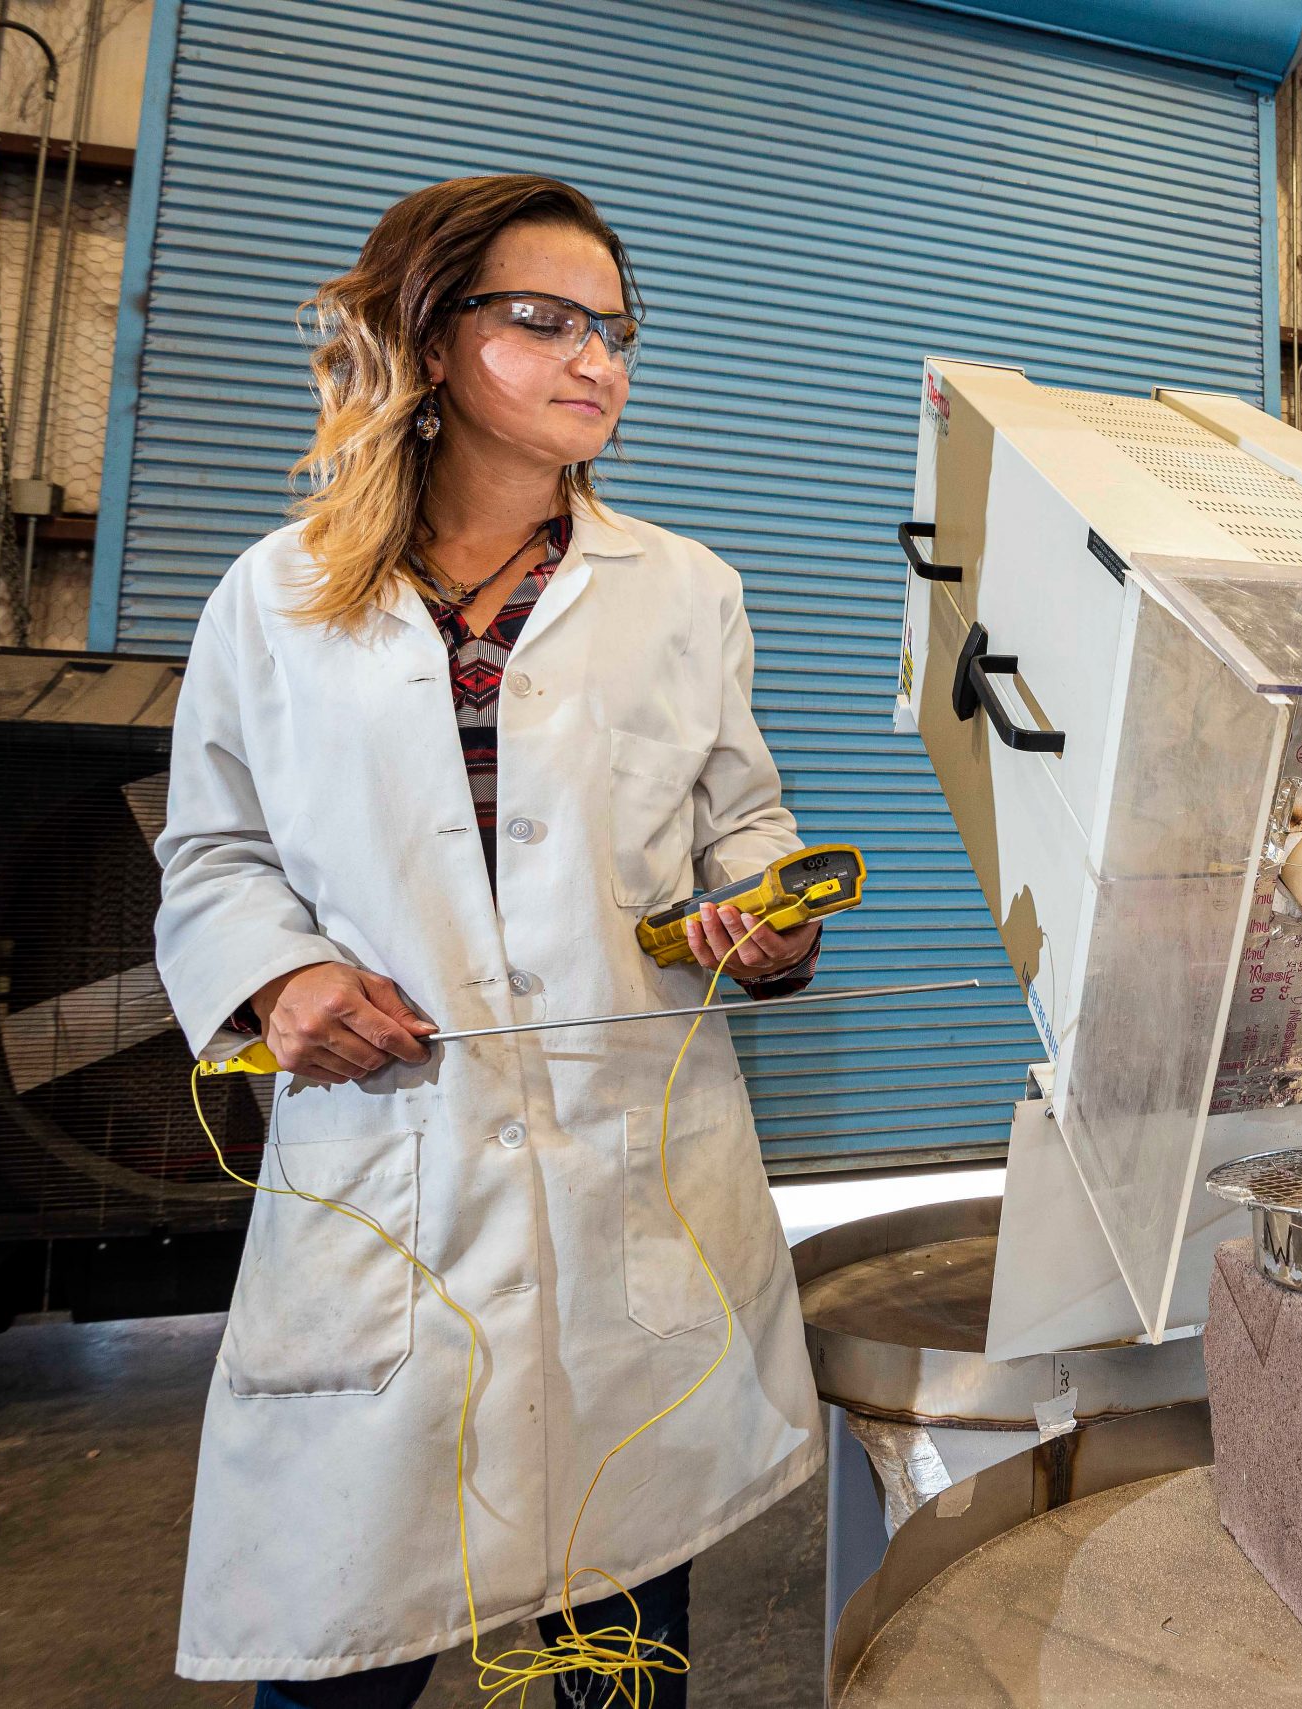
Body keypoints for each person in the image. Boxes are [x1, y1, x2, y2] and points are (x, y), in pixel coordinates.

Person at [154, 175, 822, 1707]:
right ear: (433, 341)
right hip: (394, 1177)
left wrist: (764, 920)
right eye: (547, 320)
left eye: (617, 331)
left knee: (622, 1635)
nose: (599, 358)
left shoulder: (686, 591)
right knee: (341, 1646)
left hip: (625, 1187)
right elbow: (212, 849)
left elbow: (747, 829)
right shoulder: (274, 599)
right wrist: (286, 975)